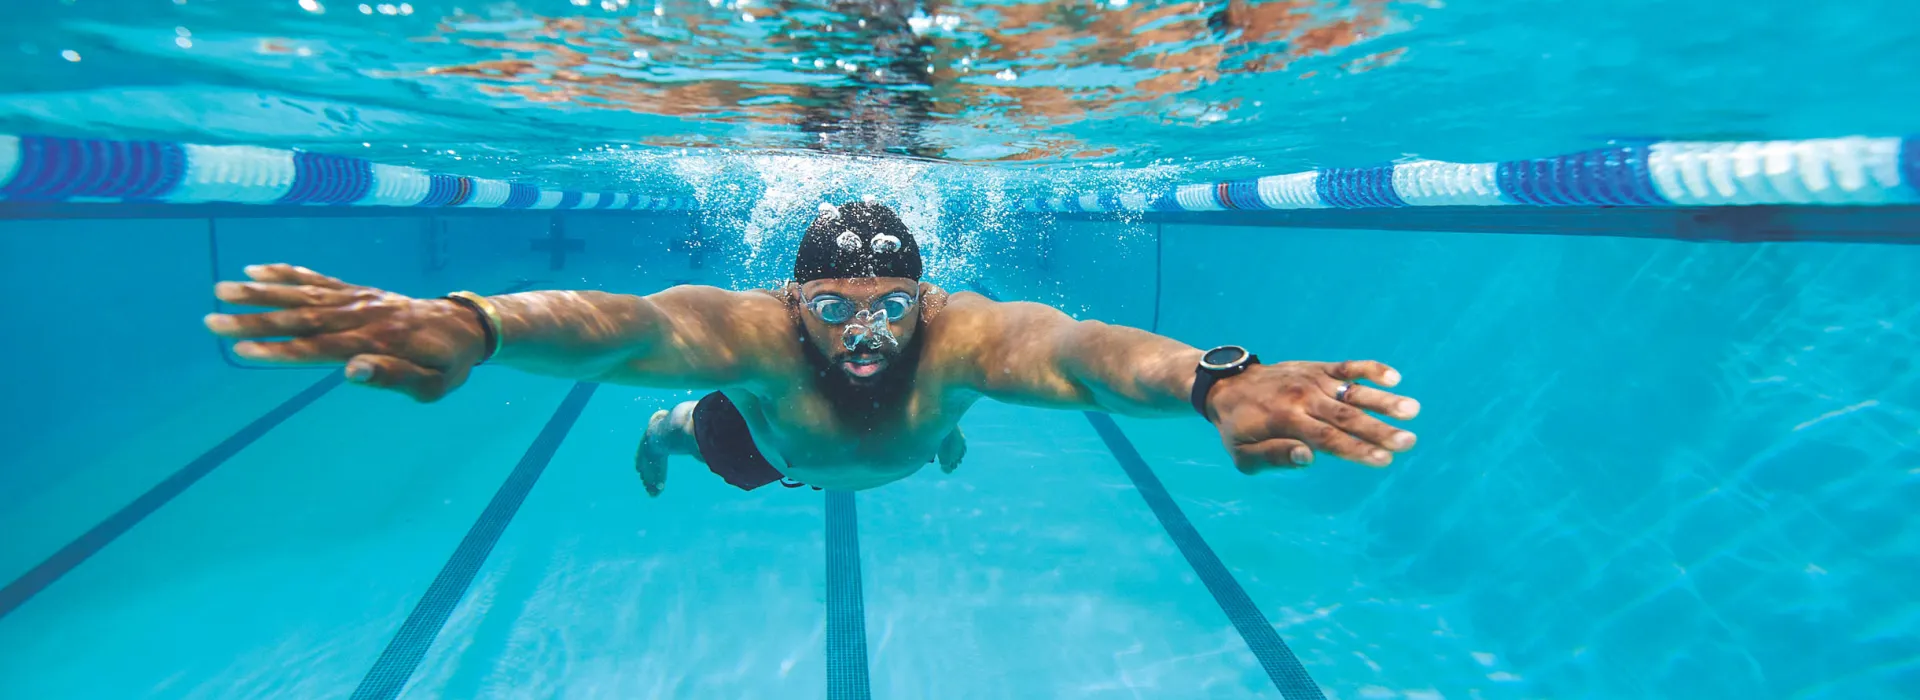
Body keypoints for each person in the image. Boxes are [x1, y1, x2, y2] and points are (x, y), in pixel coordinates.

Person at [203, 202, 1420, 495]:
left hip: (908, 442)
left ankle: (930, 441)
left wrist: (1211, 383)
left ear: (925, 293)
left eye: (889, 306)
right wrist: (480, 324)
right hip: (764, 451)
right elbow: (630, 326)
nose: (864, 333)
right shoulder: (753, 335)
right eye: (833, 311)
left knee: (938, 421)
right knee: (706, 429)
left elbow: (1082, 350)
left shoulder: (962, 334)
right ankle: (675, 432)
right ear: (793, 306)